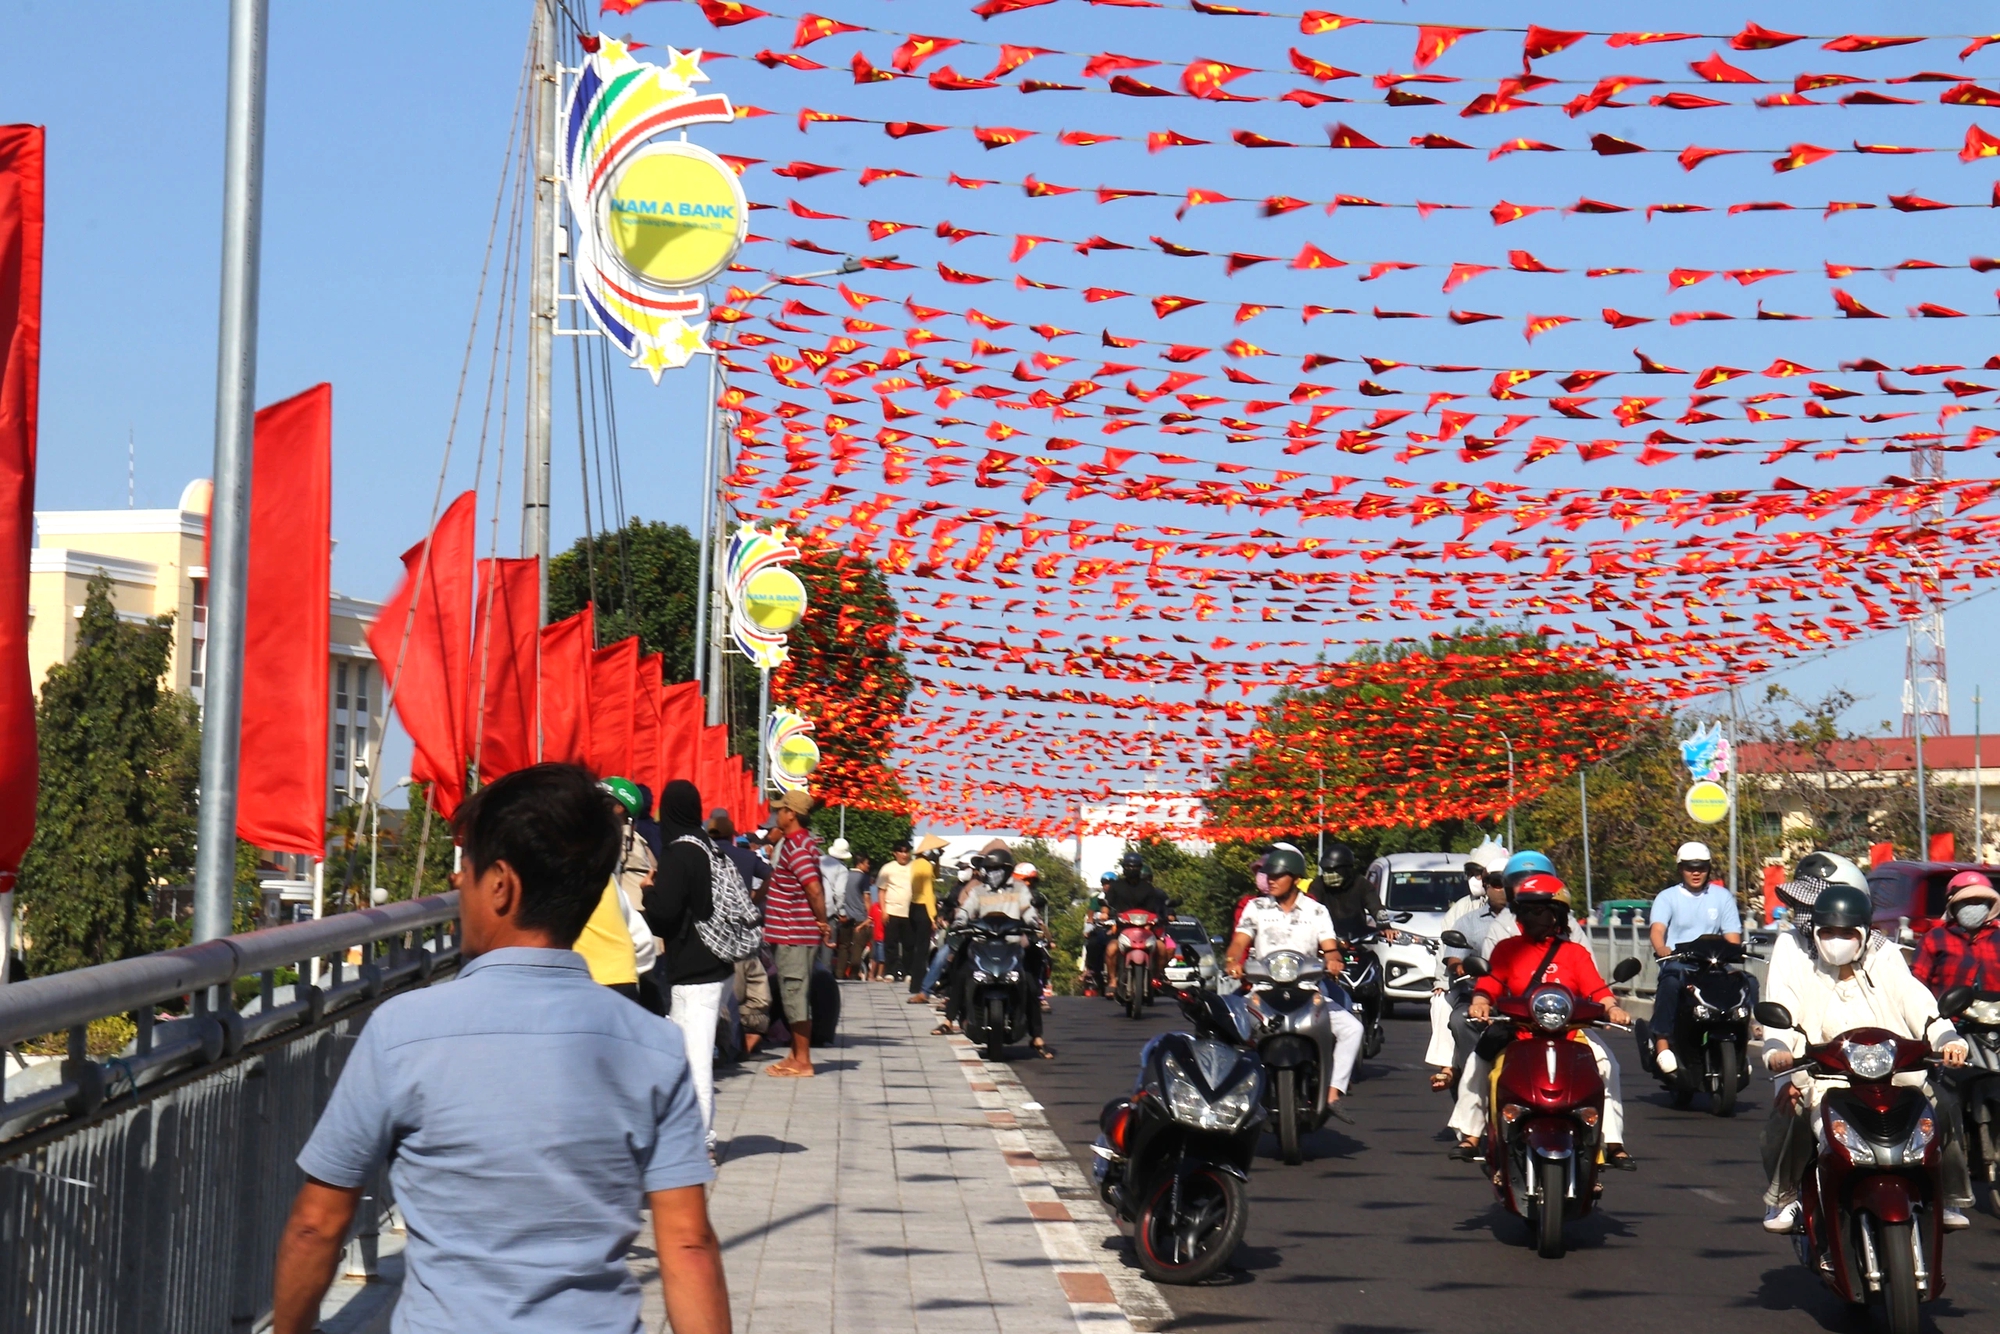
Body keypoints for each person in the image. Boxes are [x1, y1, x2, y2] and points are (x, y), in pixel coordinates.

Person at [270, 764, 728, 1334]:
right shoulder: (653, 1045)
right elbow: (688, 1244)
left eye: (466, 869)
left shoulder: (403, 1032)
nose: (457, 884)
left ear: (501, 885)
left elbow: (316, 1226)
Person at [1759, 880, 1971, 1231]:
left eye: (1846, 933)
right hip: (1825, 1084)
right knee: (1788, 1112)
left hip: (1896, 1080)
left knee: (1944, 1105)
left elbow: (1920, 1005)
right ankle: (1784, 1197)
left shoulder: (1886, 965)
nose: (1836, 940)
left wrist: (1948, 1038)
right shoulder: (1802, 974)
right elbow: (1781, 1020)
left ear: (1863, 934)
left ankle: (1948, 1195)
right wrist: (1778, 1051)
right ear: (1815, 934)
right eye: (1828, 932)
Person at [1449, 873, 1635, 1169]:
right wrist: (1480, 1002)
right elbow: (1489, 985)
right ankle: (1470, 1136)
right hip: (1517, 1029)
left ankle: (1612, 1142)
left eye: (1540, 910)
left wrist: (1612, 1008)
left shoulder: (1575, 953)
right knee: (1478, 1062)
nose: (1531, 917)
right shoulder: (1507, 949)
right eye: (1525, 910)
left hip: (1569, 1031)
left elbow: (1597, 990)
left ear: (1557, 914)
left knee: (1607, 1064)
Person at [1225, 845, 1365, 1109]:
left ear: (1295, 878)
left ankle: (1333, 1091)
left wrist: (1334, 960)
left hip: (1308, 990)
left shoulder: (1316, 910)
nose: (1271, 880)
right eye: (1269, 875)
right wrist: (1232, 960)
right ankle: (1233, 1093)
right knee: (1228, 1028)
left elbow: (1330, 947)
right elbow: (1239, 941)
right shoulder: (1256, 907)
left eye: (1278, 875)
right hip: (1263, 990)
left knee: (1353, 1029)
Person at [645, 779, 734, 1156]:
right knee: (684, 1055)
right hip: (718, 966)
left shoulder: (678, 853)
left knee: (695, 1060)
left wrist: (649, 891)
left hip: (696, 973)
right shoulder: (709, 847)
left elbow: (664, 915)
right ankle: (683, 1135)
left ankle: (700, 1143)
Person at [1647, 841, 1745, 1074]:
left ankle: (1743, 1039)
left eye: (1701, 867)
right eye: (1690, 867)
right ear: (1680, 869)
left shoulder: (1722, 897)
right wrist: (1661, 948)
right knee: (1670, 983)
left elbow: (1732, 937)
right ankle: (1662, 1042)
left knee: (1746, 982)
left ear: (1708, 869)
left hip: (1712, 963)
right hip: (1679, 962)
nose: (1696, 872)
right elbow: (1657, 930)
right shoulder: (1667, 897)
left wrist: (1733, 951)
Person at [941, 860, 1054, 1057]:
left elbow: (1027, 909)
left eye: (996, 869)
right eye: (989, 869)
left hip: (1012, 943)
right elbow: (967, 909)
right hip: (982, 942)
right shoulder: (979, 891)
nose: (992, 872)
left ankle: (1037, 1037)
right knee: (961, 972)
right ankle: (948, 1020)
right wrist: (960, 920)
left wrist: (1033, 921)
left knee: (1029, 983)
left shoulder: (1019, 889)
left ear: (1007, 870)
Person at [1425, 846, 1508, 1094]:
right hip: (1475, 991)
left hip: (1526, 998)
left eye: (1509, 883)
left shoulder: (1533, 920)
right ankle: (1469, 1077)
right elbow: (1452, 955)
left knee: (1600, 1060)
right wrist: (1459, 968)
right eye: (1495, 883)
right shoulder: (1466, 916)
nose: (1502, 889)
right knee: (1454, 1015)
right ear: (1486, 884)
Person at [763, 789, 832, 1077]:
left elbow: (813, 889)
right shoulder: (798, 844)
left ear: (791, 814)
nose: (776, 814)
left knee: (794, 994)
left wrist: (823, 922)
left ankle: (803, 1061)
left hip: (794, 933)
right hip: (792, 932)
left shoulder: (798, 847)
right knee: (793, 992)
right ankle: (795, 1054)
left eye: (780, 810)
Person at [709, 809, 772, 1059]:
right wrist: (754, 899)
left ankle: (726, 1045)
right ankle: (743, 1042)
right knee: (752, 987)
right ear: (732, 835)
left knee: (723, 992)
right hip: (743, 931)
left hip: (713, 931)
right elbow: (771, 875)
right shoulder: (746, 857)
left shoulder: (704, 856)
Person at [1914, 870, 2000, 995]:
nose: (1973, 907)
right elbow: (1916, 983)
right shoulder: (1935, 938)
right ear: (1953, 905)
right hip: (1946, 1007)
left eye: (1979, 902)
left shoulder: (1997, 938)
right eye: (1967, 902)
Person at [1315, 841, 1378, 939]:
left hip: (1358, 938)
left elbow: (1376, 906)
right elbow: (1310, 905)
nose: (1328, 875)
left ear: (1347, 869)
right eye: (1326, 870)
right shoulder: (1319, 884)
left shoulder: (1361, 883)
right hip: (1326, 938)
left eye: (1333, 870)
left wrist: (1385, 925)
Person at [876, 840, 918, 980]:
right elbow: (882, 891)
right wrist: (884, 910)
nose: (904, 855)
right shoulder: (887, 868)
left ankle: (908, 972)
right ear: (894, 853)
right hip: (892, 911)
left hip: (910, 912)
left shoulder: (915, 867)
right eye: (901, 851)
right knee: (891, 943)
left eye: (906, 851)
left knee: (909, 944)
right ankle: (890, 972)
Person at [906, 839, 940, 999]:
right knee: (922, 949)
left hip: (913, 907)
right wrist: (932, 917)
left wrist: (938, 860)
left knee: (917, 947)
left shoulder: (915, 864)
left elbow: (936, 875)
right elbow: (928, 892)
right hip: (923, 908)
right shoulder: (925, 865)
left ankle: (915, 982)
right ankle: (919, 985)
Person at [835, 852, 874, 979]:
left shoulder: (845, 875)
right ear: (860, 864)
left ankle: (839, 973)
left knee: (843, 946)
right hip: (860, 917)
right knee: (858, 947)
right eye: (867, 863)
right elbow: (866, 898)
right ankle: (853, 974)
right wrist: (870, 916)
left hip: (845, 916)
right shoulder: (864, 878)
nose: (869, 866)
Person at [1082, 870, 1115, 995]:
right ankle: (1093, 969)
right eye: (1104, 883)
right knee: (1092, 944)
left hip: (1117, 929)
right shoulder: (1097, 898)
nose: (1107, 886)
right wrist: (1088, 927)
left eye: (1109, 883)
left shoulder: (1120, 898)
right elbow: (1090, 915)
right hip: (1101, 928)